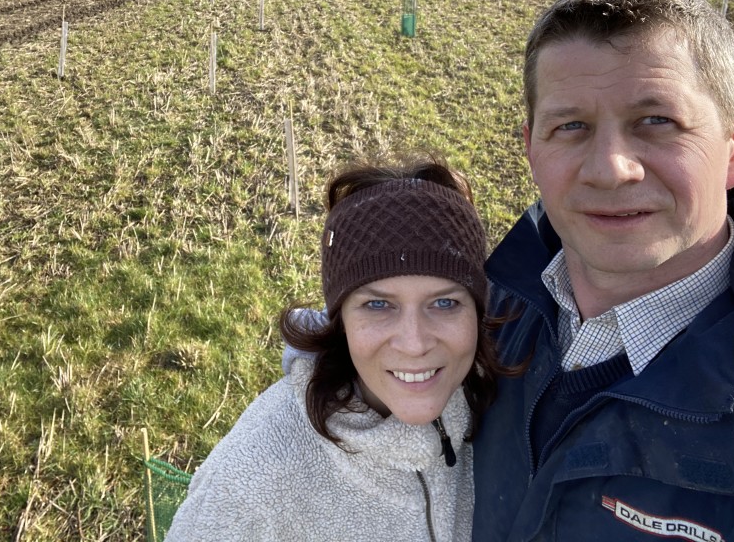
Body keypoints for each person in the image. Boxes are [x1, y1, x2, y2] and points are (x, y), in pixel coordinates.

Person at [473, 0, 734, 541]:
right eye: (570, 126)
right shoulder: (487, 308)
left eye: (657, 122)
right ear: (532, 147)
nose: (610, 168)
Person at [166, 156, 514, 542]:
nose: (414, 344)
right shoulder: (252, 478)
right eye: (379, 305)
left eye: (445, 303)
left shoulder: (507, 414)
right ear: (340, 319)